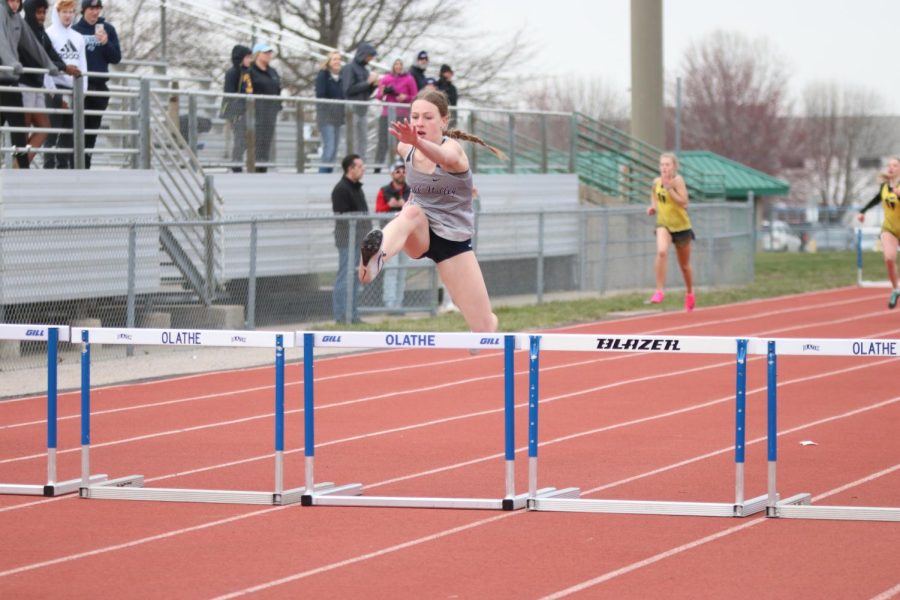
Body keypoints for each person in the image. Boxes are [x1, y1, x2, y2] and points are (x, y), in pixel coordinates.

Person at [358, 89, 503, 333]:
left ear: (444, 121)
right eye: (415, 117)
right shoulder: (405, 147)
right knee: (410, 213)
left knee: (484, 328)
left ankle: (485, 327)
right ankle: (375, 261)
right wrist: (414, 144)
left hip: (453, 241)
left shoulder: (453, 149)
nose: (419, 123)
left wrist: (418, 142)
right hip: (421, 231)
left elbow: (443, 158)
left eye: (428, 117)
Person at [1, 0, 59, 168]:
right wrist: (11, 62)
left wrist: (49, 64)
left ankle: (22, 167)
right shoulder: (0, 12)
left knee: (19, 133)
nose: (14, 5)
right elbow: (1, 42)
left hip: (11, 84)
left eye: (17, 1)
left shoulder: (17, 18)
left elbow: (32, 44)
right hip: (1, 80)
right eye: (11, 1)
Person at [21, 0, 73, 167]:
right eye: (38, 12)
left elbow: (51, 54)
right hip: (24, 85)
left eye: (44, 12)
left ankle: (19, 164)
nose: (42, 16)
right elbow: (40, 57)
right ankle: (18, 165)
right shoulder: (24, 30)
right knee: (23, 131)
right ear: (30, 12)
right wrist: (64, 67)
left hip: (37, 86)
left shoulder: (41, 32)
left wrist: (65, 67)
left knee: (43, 128)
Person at [72, 0, 120, 169]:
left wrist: (105, 43)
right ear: (84, 10)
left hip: (99, 88)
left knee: (91, 133)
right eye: (92, 8)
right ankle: (72, 167)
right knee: (76, 130)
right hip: (78, 87)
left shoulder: (108, 29)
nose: (95, 12)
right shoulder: (74, 30)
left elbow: (116, 58)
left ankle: (85, 167)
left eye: (98, 8)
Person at [646, 152, 695, 312]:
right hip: (664, 224)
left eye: (667, 165)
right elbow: (653, 194)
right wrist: (653, 206)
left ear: (674, 167)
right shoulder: (656, 182)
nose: (664, 168)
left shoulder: (678, 181)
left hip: (681, 227)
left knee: (685, 266)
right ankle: (659, 291)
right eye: (662, 164)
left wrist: (670, 189)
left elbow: (684, 202)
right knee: (661, 252)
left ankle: (690, 293)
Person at [45, 0, 85, 169]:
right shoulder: (49, 34)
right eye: (65, 12)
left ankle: (63, 165)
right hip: (55, 88)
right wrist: (51, 90)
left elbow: (83, 65)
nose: (68, 15)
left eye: (71, 12)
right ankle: (48, 164)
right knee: (52, 130)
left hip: (74, 89)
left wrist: (83, 91)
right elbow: (46, 64)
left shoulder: (78, 38)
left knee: (70, 131)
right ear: (58, 12)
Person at [857, 157, 900, 308]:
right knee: (889, 259)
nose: (891, 168)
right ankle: (896, 289)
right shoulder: (884, 187)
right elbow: (876, 200)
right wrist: (862, 212)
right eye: (889, 165)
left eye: (895, 165)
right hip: (890, 228)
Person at [332, 153, 371, 323]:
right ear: (351, 169)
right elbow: (344, 217)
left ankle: (353, 314)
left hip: (359, 240)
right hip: (347, 241)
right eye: (360, 167)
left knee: (356, 277)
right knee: (344, 276)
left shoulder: (357, 188)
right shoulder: (341, 189)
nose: (363, 170)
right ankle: (341, 316)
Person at [375, 159, 411, 311]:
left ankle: (399, 302)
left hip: (406, 236)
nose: (401, 174)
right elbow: (378, 210)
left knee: (402, 269)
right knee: (392, 269)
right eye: (397, 171)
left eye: (403, 171)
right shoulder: (384, 190)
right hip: (389, 236)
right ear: (392, 174)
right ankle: (390, 303)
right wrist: (389, 206)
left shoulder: (410, 190)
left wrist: (404, 205)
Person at [374, 57, 416, 172]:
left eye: (400, 64)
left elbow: (415, 97)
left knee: (402, 142)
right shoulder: (386, 78)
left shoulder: (409, 79)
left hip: (402, 115)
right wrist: (382, 92)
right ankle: (377, 166)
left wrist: (405, 97)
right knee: (383, 141)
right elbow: (379, 96)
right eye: (396, 64)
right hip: (386, 114)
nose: (398, 66)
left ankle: (403, 167)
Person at [341, 42, 378, 162]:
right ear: (363, 54)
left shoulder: (365, 70)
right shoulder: (349, 67)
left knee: (363, 139)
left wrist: (373, 85)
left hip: (363, 109)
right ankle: (349, 164)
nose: (371, 59)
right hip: (352, 110)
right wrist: (367, 82)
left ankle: (360, 163)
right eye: (369, 56)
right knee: (352, 139)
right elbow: (348, 89)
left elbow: (366, 92)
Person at [248, 41, 281, 173]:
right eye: (265, 52)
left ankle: (263, 168)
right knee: (256, 141)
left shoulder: (273, 71)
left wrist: (277, 106)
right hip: (256, 113)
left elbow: (278, 89)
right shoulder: (250, 71)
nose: (268, 55)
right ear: (257, 54)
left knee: (266, 142)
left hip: (270, 112)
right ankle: (254, 168)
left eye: (269, 52)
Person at [220, 44, 252, 172]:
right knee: (240, 138)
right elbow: (230, 94)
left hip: (247, 110)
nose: (250, 60)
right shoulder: (233, 72)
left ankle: (239, 163)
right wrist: (235, 113)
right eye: (247, 57)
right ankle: (236, 164)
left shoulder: (248, 72)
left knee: (246, 139)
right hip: (236, 112)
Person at [314, 50, 344, 173]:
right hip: (326, 118)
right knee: (329, 147)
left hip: (338, 118)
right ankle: (322, 175)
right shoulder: (323, 75)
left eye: (339, 59)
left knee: (335, 150)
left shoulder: (341, 77)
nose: (337, 61)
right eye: (334, 59)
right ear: (329, 62)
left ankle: (329, 174)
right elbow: (321, 95)